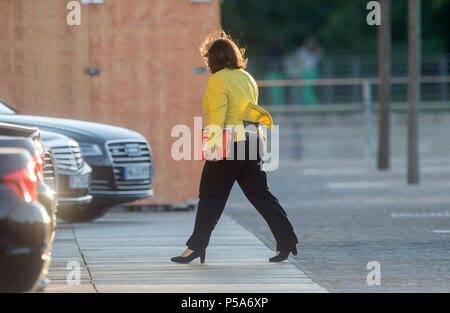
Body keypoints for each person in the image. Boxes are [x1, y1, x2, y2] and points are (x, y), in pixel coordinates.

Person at [171, 31, 298, 264]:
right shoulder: (246, 77)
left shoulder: (218, 80)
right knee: (261, 195)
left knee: (210, 196)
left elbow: (217, 117)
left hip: (230, 144)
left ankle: (196, 247)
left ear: (213, 60)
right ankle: (287, 241)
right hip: (253, 142)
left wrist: (212, 147)